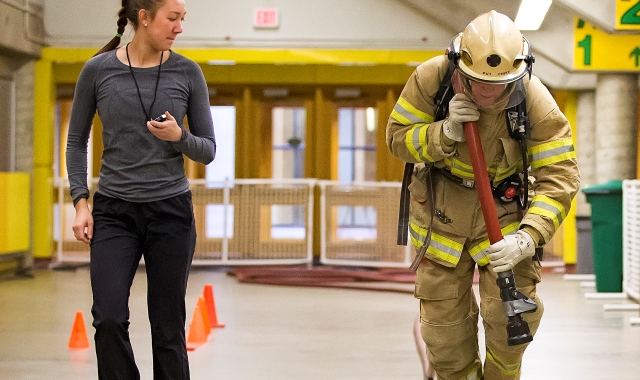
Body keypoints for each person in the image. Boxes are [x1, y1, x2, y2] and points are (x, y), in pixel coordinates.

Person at [387, 10, 579, 380]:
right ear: (459, 67)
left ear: (520, 73)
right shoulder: (432, 78)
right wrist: (443, 133)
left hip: (504, 214)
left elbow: (560, 177)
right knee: (445, 338)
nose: (489, 92)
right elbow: (396, 139)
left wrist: (529, 236)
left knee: (512, 324)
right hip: (441, 211)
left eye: (501, 86)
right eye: (477, 82)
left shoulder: (535, 100)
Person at [66, 0, 215, 378]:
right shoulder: (97, 70)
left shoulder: (188, 72)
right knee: (109, 317)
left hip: (170, 212)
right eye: (172, 18)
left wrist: (179, 136)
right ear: (144, 19)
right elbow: (76, 141)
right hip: (114, 213)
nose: (180, 28)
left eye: (183, 19)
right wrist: (81, 202)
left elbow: (208, 150)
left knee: (168, 327)